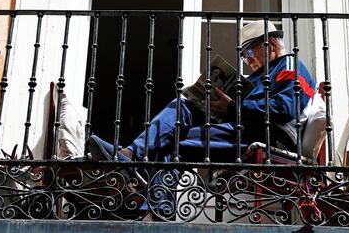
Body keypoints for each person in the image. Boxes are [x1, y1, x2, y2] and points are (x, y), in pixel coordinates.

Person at [88, 20, 316, 218]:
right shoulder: (259, 76)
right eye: (243, 56)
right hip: (244, 130)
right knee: (181, 113)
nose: (247, 61)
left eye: (248, 53)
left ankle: (143, 182)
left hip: (269, 137)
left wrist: (233, 107)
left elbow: (286, 108)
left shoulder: (288, 66)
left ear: (272, 45)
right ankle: (149, 194)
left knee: (173, 135)